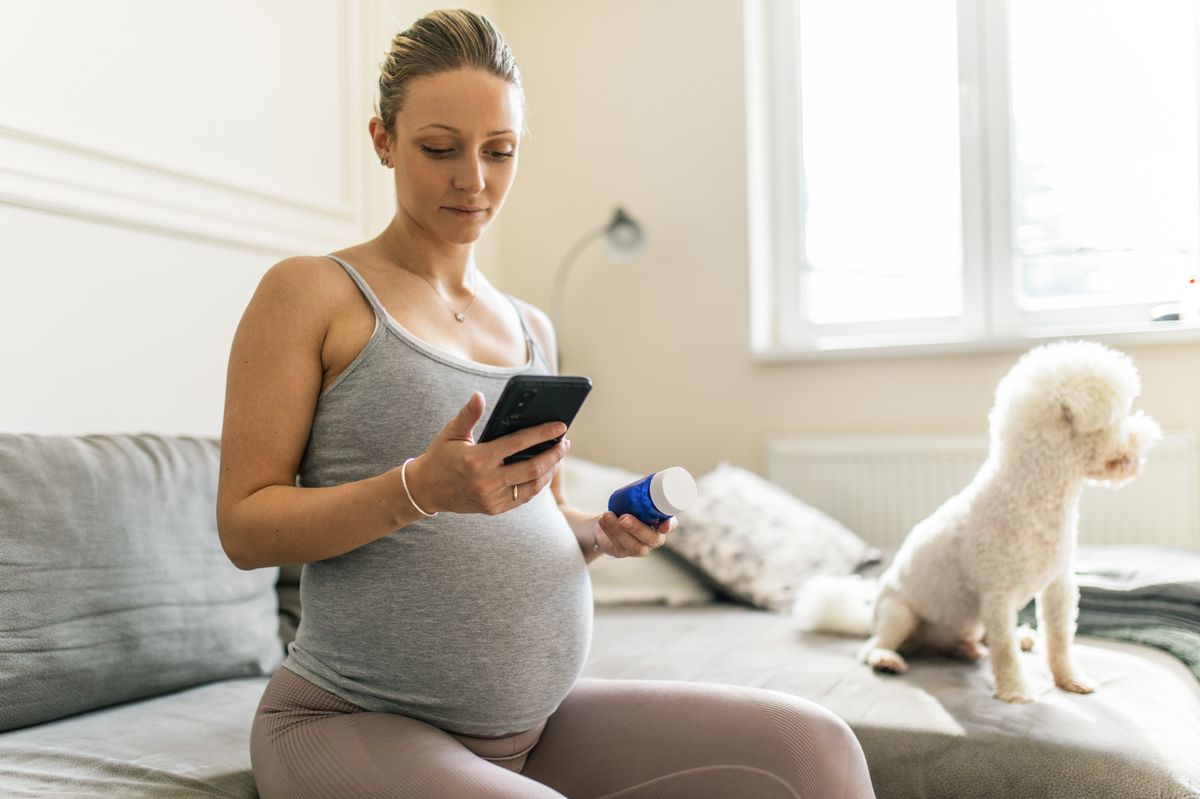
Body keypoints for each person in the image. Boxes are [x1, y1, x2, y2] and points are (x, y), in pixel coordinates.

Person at [216, 9, 877, 798]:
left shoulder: (531, 327)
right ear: (383, 140)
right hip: (349, 719)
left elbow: (538, 513)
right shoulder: (311, 292)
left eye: (500, 152)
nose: (474, 179)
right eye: (439, 148)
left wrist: (599, 532)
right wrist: (417, 490)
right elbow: (245, 527)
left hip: (536, 727)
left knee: (814, 751)